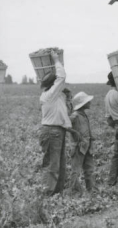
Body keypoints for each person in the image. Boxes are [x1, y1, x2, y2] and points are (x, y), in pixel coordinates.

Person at [39, 50, 81, 196]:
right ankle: (48, 195)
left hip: (56, 131)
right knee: (52, 165)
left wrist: (70, 130)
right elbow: (62, 76)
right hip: (52, 132)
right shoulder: (50, 94)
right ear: (54, 85)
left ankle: (57, 194)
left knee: (59, 164)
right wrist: (56, 60)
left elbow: (62, 115)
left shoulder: (54, 97)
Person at [68, 91, 96, 194]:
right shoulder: (75, 116)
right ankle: (74, 191)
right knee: (76, 170)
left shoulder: (83, 115)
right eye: (88, 101)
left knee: (89, 169)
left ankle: (91, 190)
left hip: (86, 146)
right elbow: (66, 125)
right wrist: (74, 132)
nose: (90, 103)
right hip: (78, 147)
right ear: (83, 104)